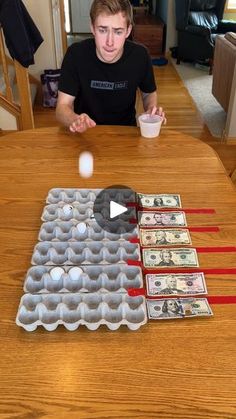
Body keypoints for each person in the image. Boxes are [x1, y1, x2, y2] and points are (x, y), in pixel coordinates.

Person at [56, 0, 166, 133]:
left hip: (126, 134)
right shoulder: (75, 54)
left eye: (118, 32)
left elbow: (148, 93)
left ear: (128, 31)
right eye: (102, 30)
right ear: (92, 28)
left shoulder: (140, 55)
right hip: (85, 134)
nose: (110, 42)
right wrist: (75, 120)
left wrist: (151, 110)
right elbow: (62, 107)